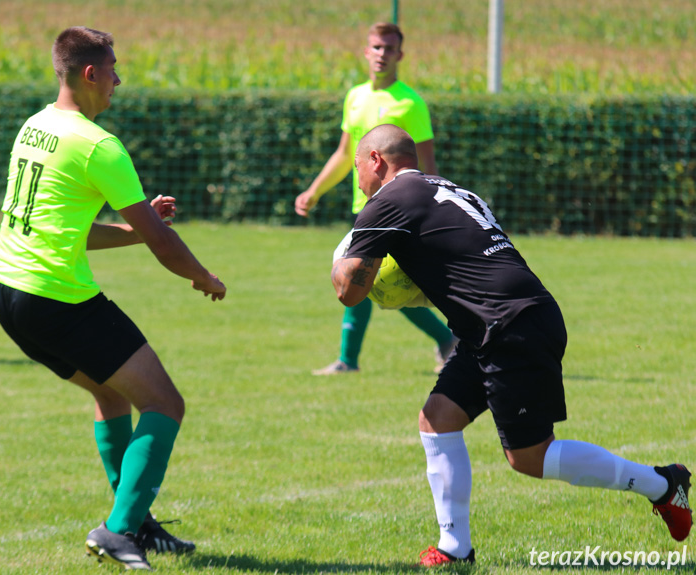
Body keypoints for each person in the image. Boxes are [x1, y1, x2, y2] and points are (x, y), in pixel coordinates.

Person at [331, 124, 692, 566]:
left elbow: (349, 291)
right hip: (506, 320)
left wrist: (340, 262)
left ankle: (662, 484)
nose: (358, 181)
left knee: (529, 457)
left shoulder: (385, 202)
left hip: (508, 325)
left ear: (375, 160)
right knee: (438, 418)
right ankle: (454, 550)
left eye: (357, 168)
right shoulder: (448, 189)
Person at [0, 27, 226, 570]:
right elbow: (164, 243)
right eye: (114, 69)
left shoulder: (36, 126)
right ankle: (118, 530)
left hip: (8, 293)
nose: (120, 79)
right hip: (57, 298)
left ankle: (135, 521)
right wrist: (203, 276)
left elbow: (71, 229)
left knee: (111, 395)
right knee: (166, 404)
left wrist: (135, 227)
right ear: (91, 74)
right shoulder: (99, 144)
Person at [294, 22, 456, 376]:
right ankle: (354, 359)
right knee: (371, 280)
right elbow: (343, 155)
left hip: (399, 211)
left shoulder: (410, 103)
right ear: (366, 52)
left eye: (389, 48)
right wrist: (315, 189)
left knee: (383, 281)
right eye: (376, 47)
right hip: (364, 208)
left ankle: (446, 340)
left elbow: (427, 165)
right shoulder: (355, 97)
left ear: (400, 54)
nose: (382, 54)